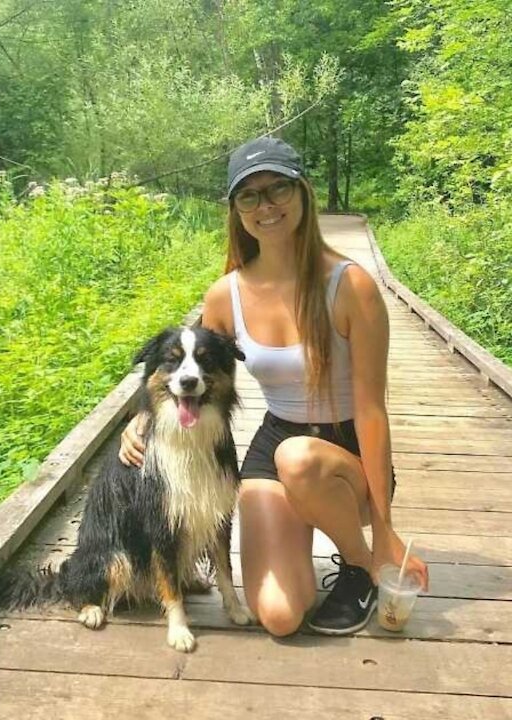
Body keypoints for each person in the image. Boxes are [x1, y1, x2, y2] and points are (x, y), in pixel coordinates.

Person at [118, 136, 429, 636]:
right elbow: (186, 366)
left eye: (278, 189)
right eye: (249, 195)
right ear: (236, 210)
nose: (266, 206)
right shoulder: (226, 295)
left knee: (300, 459)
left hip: (345, 455)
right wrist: (141, 419)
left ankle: (362, 564)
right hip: (276, 443)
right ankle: (329, 555)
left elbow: (372, 410)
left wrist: (387, 531)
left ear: (302, 192)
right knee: (280, 617)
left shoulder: (351, 287)